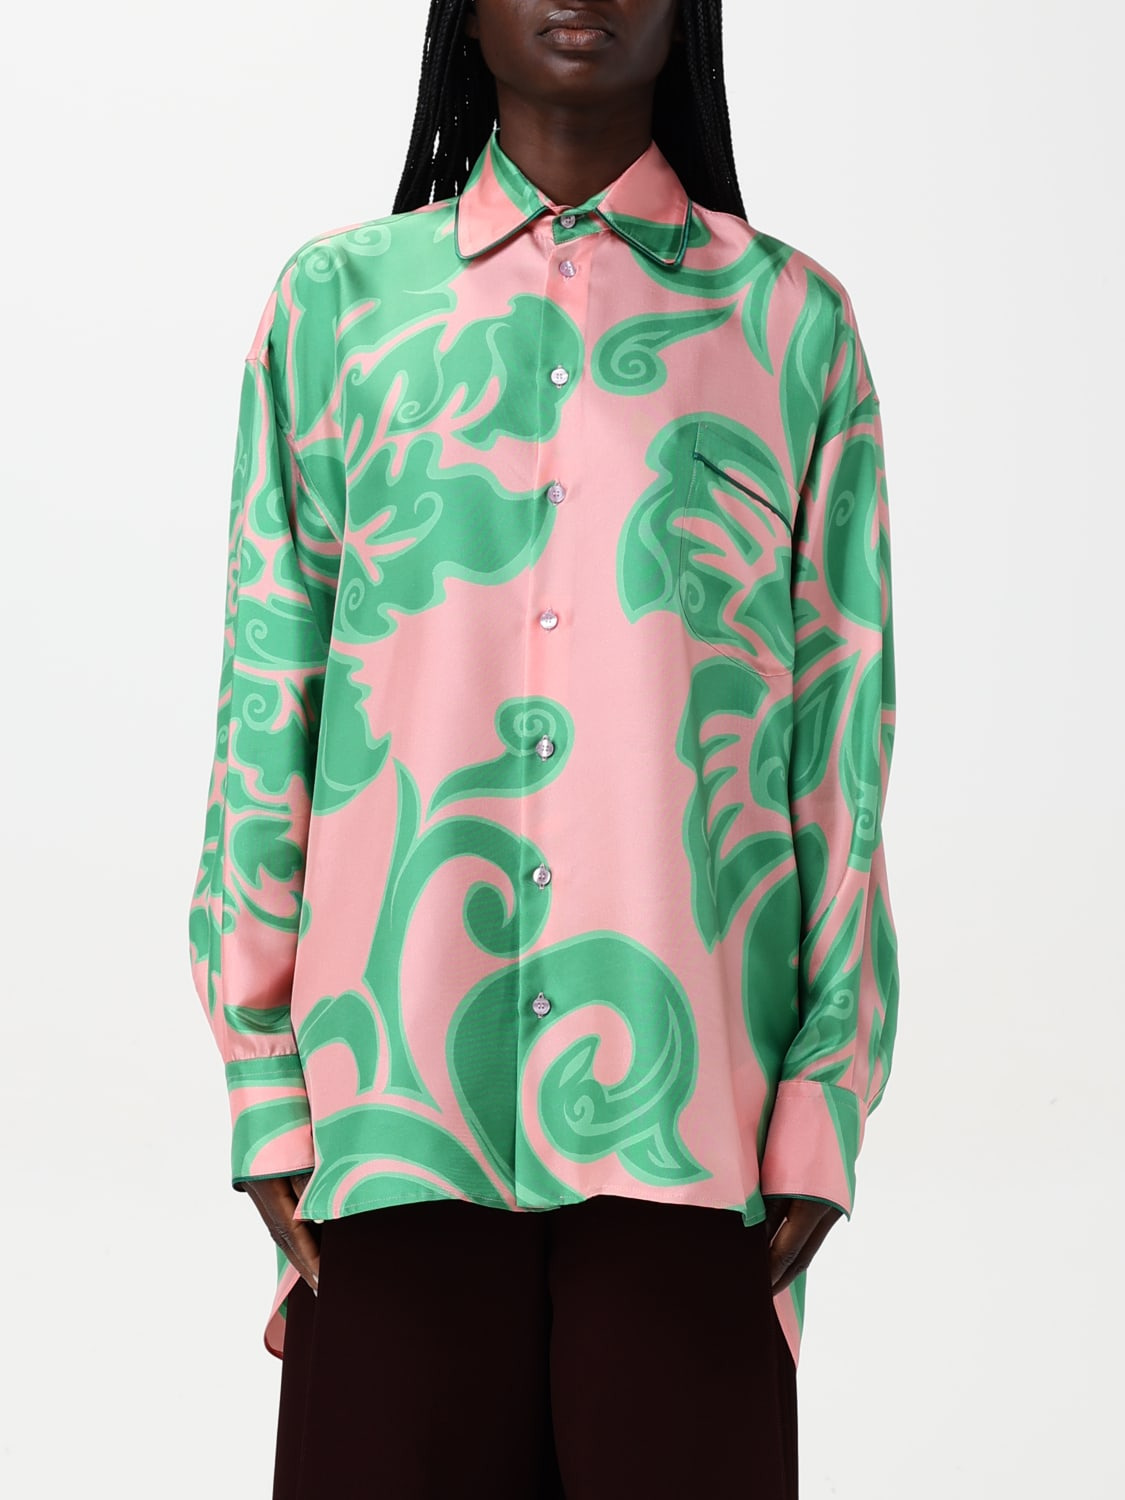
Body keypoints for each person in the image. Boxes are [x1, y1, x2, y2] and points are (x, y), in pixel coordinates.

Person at [187, 1, 900, 1495]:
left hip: (697, 1132)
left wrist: (822, 1104)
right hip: (386, 1117)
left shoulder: (790, 327)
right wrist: (264, 1080)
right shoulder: (335, 309)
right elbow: (268, 705)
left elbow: (839, 747)